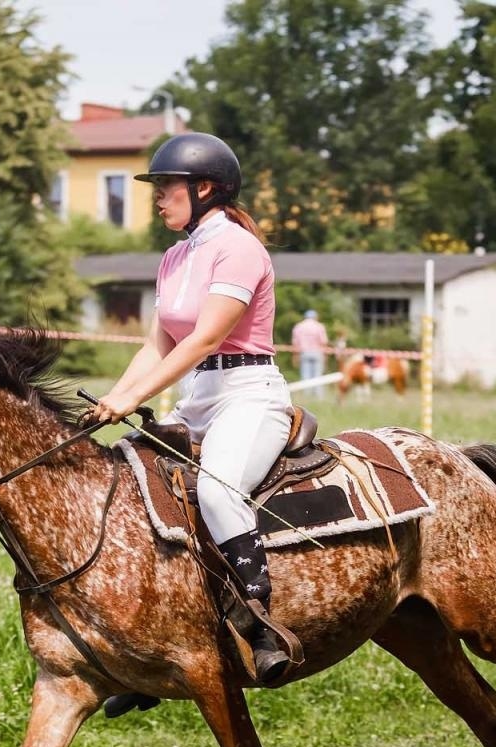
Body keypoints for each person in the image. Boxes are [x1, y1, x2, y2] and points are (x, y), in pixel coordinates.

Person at [88, 132, 295, 684]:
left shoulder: (239, 248)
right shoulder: (176, 256)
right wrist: (113, 397)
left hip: (248, 396)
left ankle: (260, 626)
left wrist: (134, 399)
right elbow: (155, 345)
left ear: (204, 189)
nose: (157, 199)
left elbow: (204, 340)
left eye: (166, 188)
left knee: (217, 490)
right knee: (130, 487)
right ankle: (155, 642)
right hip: (197, 398)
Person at [290, 309, 329, 396]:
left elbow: (295, 343)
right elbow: (323, 342)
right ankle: (319, 396)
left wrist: (295, 356)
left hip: (304, 353)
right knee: (318, 376)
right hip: (317, 353)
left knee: (305, 375)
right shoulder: (319, 326)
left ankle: (307, 396)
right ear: (315, 317)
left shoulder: (299, 326)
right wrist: (326, 357)